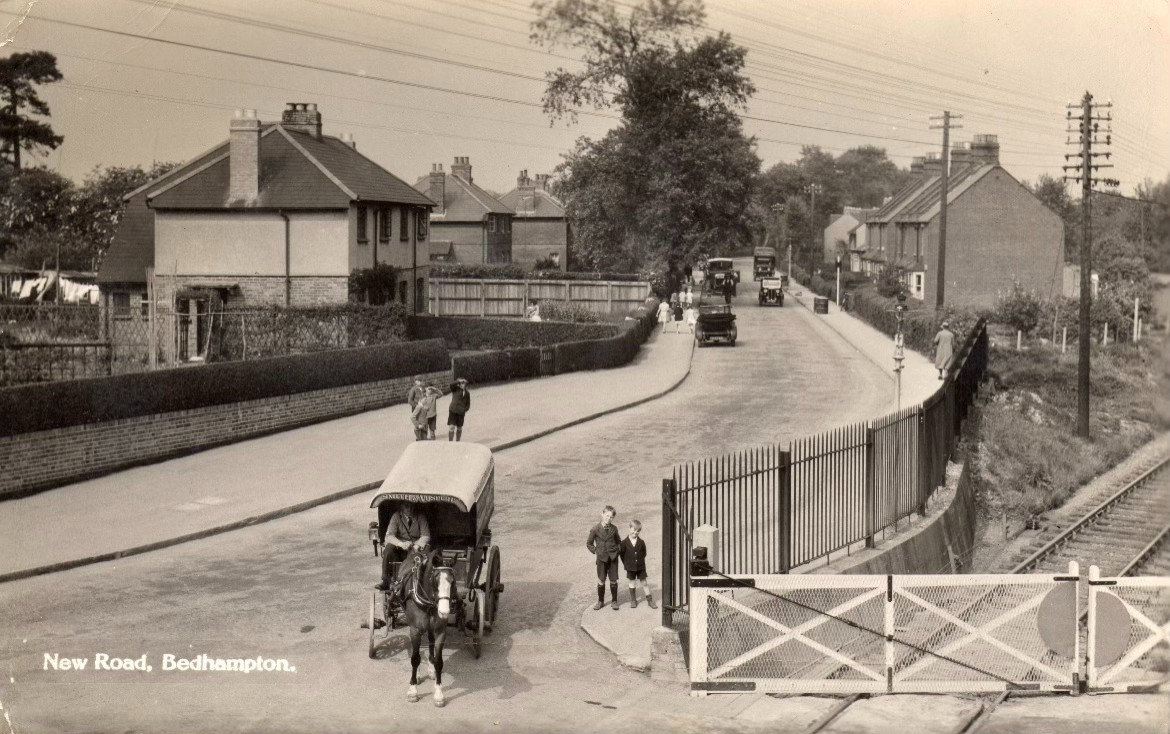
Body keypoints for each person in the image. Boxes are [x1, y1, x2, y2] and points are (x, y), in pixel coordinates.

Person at [375, 501, 431, 595]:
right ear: (401, 507)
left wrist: (417, 545)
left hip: (415, 547)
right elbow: (389, 536)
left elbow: (426, 535)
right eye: (406, 506)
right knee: (388, 549)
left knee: (427, 551)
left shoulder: (420, 516)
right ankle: (385, 581)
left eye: (411, 506)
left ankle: (421, 580)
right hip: (401, 547)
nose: (409, 509)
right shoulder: (396, 516)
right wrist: (401, 544)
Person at [586, 505, 623, 611]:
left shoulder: (614, 528)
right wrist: (596, 551)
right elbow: (589, 543)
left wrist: (617, 551)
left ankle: (614, 601)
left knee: (613, 580)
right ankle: (600, 601)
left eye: (611, 517)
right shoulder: (595, 529)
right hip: (601, 558)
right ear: (602, 515)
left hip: (613, 558)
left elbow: (618, 541)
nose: (608, 519)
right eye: (607, 516)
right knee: (601, 580)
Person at [619, 520, 656, 609]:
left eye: (638, 531)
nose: (635, 532)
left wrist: (639, 561)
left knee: (644, 582)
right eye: (634, 530)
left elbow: (644, 553)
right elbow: (622, 555)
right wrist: (628, 564)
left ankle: (650, 600)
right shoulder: (624, 543)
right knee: (632, 582)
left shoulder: (641, 542)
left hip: (640, 566)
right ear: (629, 528)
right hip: (630, 567)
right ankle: (633, 600)